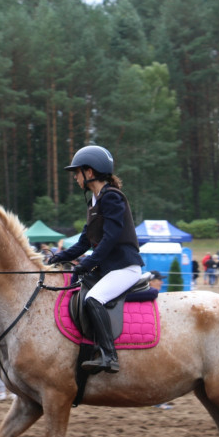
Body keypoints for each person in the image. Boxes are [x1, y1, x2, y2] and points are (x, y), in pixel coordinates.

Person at [47, 145, 143, 375]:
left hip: (125, 267)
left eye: (77, 173)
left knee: (93, 299)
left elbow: (110, 239)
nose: (75, 178)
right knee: (77, 293)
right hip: (108, 268)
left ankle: (109, 356)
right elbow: (84, 243)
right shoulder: (94, 201)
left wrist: (86, 264)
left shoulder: (112, 197)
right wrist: (55, 258)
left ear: (89, 172)